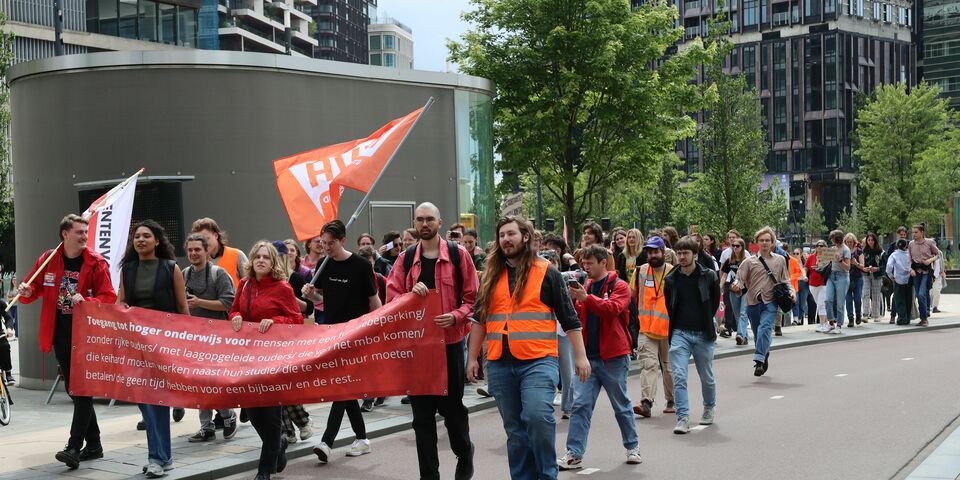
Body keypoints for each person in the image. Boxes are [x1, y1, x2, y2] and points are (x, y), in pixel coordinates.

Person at [466, 215, 590, 480]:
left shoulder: (547, 272)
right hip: (499, 362)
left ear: (525, 237)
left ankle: (546, 474)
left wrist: (581, 357)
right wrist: (472, 358)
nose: (505, 240)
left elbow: (569, 318)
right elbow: (479, 319)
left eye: (511, 234)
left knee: (537, 417)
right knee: (515, 430)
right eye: (501, 235)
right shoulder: (491, 275)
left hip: (538, 360)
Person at [386, 202, 478, 480]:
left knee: (453, 412)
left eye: (429, 219)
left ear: (440, 222)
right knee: (422, 419)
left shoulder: (458, 255)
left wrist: (456, 316)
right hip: (418, 350)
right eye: (419, 219)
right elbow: (391, 301)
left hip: (449, 345)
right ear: (414, 223)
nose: (424, 224)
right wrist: (408, 296)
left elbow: (473, 299)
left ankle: (464, 452)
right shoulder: (405, 259)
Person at [18, 214, 117, 469]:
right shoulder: (48, 258)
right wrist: (27, 291)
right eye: (79, 232)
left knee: (81, 389)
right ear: (65, 234)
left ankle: (74, 447)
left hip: (86, 335)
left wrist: (88, 301)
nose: (85, 236)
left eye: (86, 232)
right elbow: (32, 289)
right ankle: (94, 444)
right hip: (59, 333)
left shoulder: (96, 263)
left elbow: (109, 298)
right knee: (75, 389)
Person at [302, 220, 382, 464]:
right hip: (332, 334)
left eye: (331, 243)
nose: (327, 248)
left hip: (356, 335)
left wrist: (379, 330)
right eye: (323, 243)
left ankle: (327, 442)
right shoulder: (324, 264)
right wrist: (311, 295)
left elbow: (375, 301)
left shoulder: (360, 266)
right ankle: (362, 438)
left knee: (341, 387)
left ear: (343, 240)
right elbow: (321, 299)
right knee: (344, 388)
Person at [557, 245, 640, 469]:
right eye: (584, 263)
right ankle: (574, 453)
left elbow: (611, 309)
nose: (586, 267)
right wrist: (571, 300)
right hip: (588, 359)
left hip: (614, 357)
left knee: (621, 405)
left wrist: (586, 298)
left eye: (590, 263)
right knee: (580, 405)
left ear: (603, 262)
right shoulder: (585, 286)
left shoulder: (620, 286)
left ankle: (632, 447)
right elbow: (576, 318)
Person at [118, 220, 189, 478]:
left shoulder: (171, 268)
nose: (141, 240)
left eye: (146, 236)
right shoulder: (128, 270)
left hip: (164, 345)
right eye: (137, 236)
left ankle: (157, 458)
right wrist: (123, 312)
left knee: (156, 400)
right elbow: (121, 302)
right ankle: (163, 456)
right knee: (145, 400)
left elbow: (182, 308)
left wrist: (186, 344)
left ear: (157, 241)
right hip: (136, 344)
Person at [229, 241, 303, 480]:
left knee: (271, 415)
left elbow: (297, 320)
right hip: (248, 357)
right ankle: (278, 445)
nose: (261, 260)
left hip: (274, 359)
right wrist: (236, 316)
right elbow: (233, 310)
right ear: (252, 260)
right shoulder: (244, 284)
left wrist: (275, 321)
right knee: (252, 412)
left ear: (273, 262)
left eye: (266, 257)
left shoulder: (282, 287)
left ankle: (264, 471)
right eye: (258, 256)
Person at [182, 233, 239, 443]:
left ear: (208, 252)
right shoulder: (184, 274)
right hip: (193, 338)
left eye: (198, 249)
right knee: (199, 383)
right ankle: (206, 427)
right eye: (190, 250)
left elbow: (229, 303)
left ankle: (227, 415)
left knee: (214, 382)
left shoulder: (219, 274)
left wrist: (199, 302)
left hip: (217, 339)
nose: (193, 253)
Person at [665, 236, 720, 434]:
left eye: (685, 253)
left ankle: (709, 407)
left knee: (706, 376)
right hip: (680, 333)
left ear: (695, 255)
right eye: (679, 253)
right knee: (679, 376)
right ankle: (682, 417)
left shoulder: (709, 276)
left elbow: (714, 303)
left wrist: (705, 321)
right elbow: (669, 305)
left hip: (703, 334)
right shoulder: (671, 279)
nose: (681, 257)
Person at [732, 227, 794, 377]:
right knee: (757, 333)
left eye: (767, 240)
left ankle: (759, 360)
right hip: (752, 302)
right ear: (757, 242)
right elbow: (739, 279)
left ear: (772, 242)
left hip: (771, 301)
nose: (764, 243)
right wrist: (736, 286)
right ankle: (764, 355)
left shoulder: (780, 260)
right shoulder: (748, 262)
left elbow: (785, 280)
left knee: (764, 328)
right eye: (761, 240)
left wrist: (792, 292)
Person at [631, 236, 676, 417]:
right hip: (646, 329)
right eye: (649, 252)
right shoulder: (640, 272)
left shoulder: (673, 272)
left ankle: (672, 399)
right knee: (648, 366)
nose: (652, 255)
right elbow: (631, 296)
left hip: (668, 329)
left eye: (656, 252)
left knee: (668, 368)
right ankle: (646, 403)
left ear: (663, 252)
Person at [356, 245, 388, 413]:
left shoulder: (381, 280)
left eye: (369, 262)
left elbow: (391, 300)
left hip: (379, 327)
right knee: (364, 364)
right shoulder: (354, 280)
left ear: (374, 262)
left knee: (376, 362)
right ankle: (369, 396)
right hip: (360, 327)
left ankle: (378, 392)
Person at [191, 218, 248, 288]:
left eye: (206, 239)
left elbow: (251, 284)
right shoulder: (199, 261)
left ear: (216, 235)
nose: (204, 244)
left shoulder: (237, 255)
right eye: (200, 241)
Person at [908, 224, 940, 326]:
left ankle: (924, 318)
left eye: (916, 232)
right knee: (919, 295)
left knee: (922, 294)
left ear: (922, 232)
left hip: (926, 272)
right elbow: (909, 259)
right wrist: (910, 269)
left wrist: (930, 260)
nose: (914, 234)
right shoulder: (911, 244)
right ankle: (923, 318)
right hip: (916, 272)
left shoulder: (929, 242)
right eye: (913, 232)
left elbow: (938, 254)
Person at [721, 237, 750, 345]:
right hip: (733, 289)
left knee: (743, 313)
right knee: (737, 314)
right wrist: (720, 285)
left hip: (746, 290)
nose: (735, 248)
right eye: (733, 246)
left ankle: (740, 334)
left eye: (737, 246)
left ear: (742, 247)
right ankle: (744, 338)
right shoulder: (730, 260)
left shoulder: (747, 260)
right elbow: (724, 275)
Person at [822, 230, 852, 334]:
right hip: (831, 275)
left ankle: (839, 325)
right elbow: (825, 262)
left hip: (842, 276)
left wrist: (840, 260)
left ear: (837, 239)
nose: (831, 240)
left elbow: (848, 268)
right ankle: (831, 323)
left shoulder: (846, 250)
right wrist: (820, 263)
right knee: (828, 300)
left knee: (840, 303)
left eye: (832, 238)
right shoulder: (832, 249)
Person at [886, 239, 913, 325]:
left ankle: (902, 318)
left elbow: (889, 266)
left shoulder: (894, 255)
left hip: (898, 280)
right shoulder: (909, 254)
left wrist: (891, 276)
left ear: (897, 245)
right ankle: (907, 318)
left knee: (899, 300)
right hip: (909, 279)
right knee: (908, 299)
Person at [861, 233, 884, 322]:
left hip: (877, 275)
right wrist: (864, 268)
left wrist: (877, 268)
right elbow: (861, 263)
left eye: (872, 240)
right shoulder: (864, 251)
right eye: (869, 240)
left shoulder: (880, 251)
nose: (870, 242)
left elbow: (884, 265)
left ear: (875, 241)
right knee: (865, 293)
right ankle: (865, 314)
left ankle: (876, 315)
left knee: (876, 294)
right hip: (866, 274)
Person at [845, 233, 865, 327]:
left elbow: (862, 266)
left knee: (857, 298)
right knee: (848, 299)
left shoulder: (859, 251)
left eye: (851, 242)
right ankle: (850, 319)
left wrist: (856, 263)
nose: (849, 243)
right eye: (847, 242)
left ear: (854, 242)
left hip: (857, 278)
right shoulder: (843, 251)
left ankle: (858, 315)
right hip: (846, 278)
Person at [791, 248, 809, 326]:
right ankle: (795, 319)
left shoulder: (804, 262)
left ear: (801, 254)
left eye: (797, 253)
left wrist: (806, 277)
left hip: (803, 284)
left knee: (802, 303)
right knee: (795, 301)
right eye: (794, 253)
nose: (795, 255)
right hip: (794, 282)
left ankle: (799, 319)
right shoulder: (791, 262)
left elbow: (806, 270)